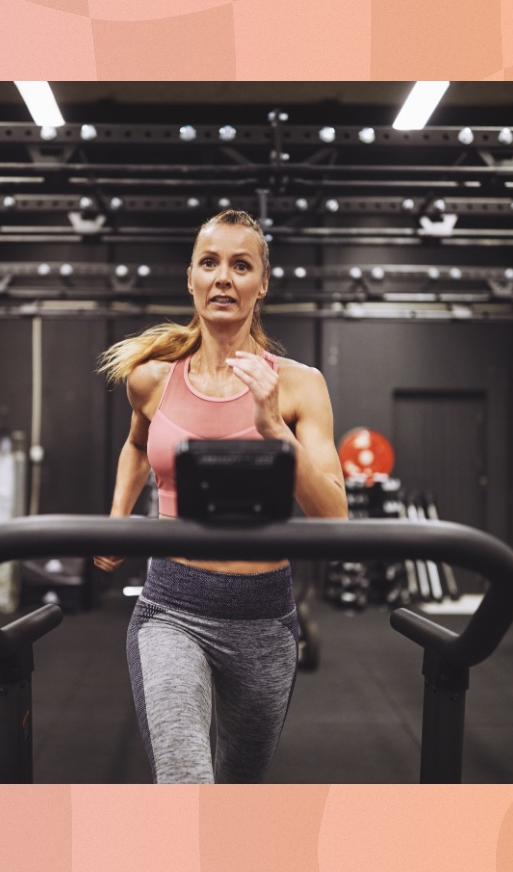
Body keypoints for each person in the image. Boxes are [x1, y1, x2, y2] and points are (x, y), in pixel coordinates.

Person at [94, 209, 348, 783]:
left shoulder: (300, 384)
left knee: (237, 796)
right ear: (191, 278)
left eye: (241, 265)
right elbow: (137, 446)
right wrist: (115, 518)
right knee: (187, 786)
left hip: (263, 617)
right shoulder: (152, 379)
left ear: (263, 283)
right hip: (172, 610)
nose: (223, 278)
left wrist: (274, 429)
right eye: (210, 263)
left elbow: (333, 513)